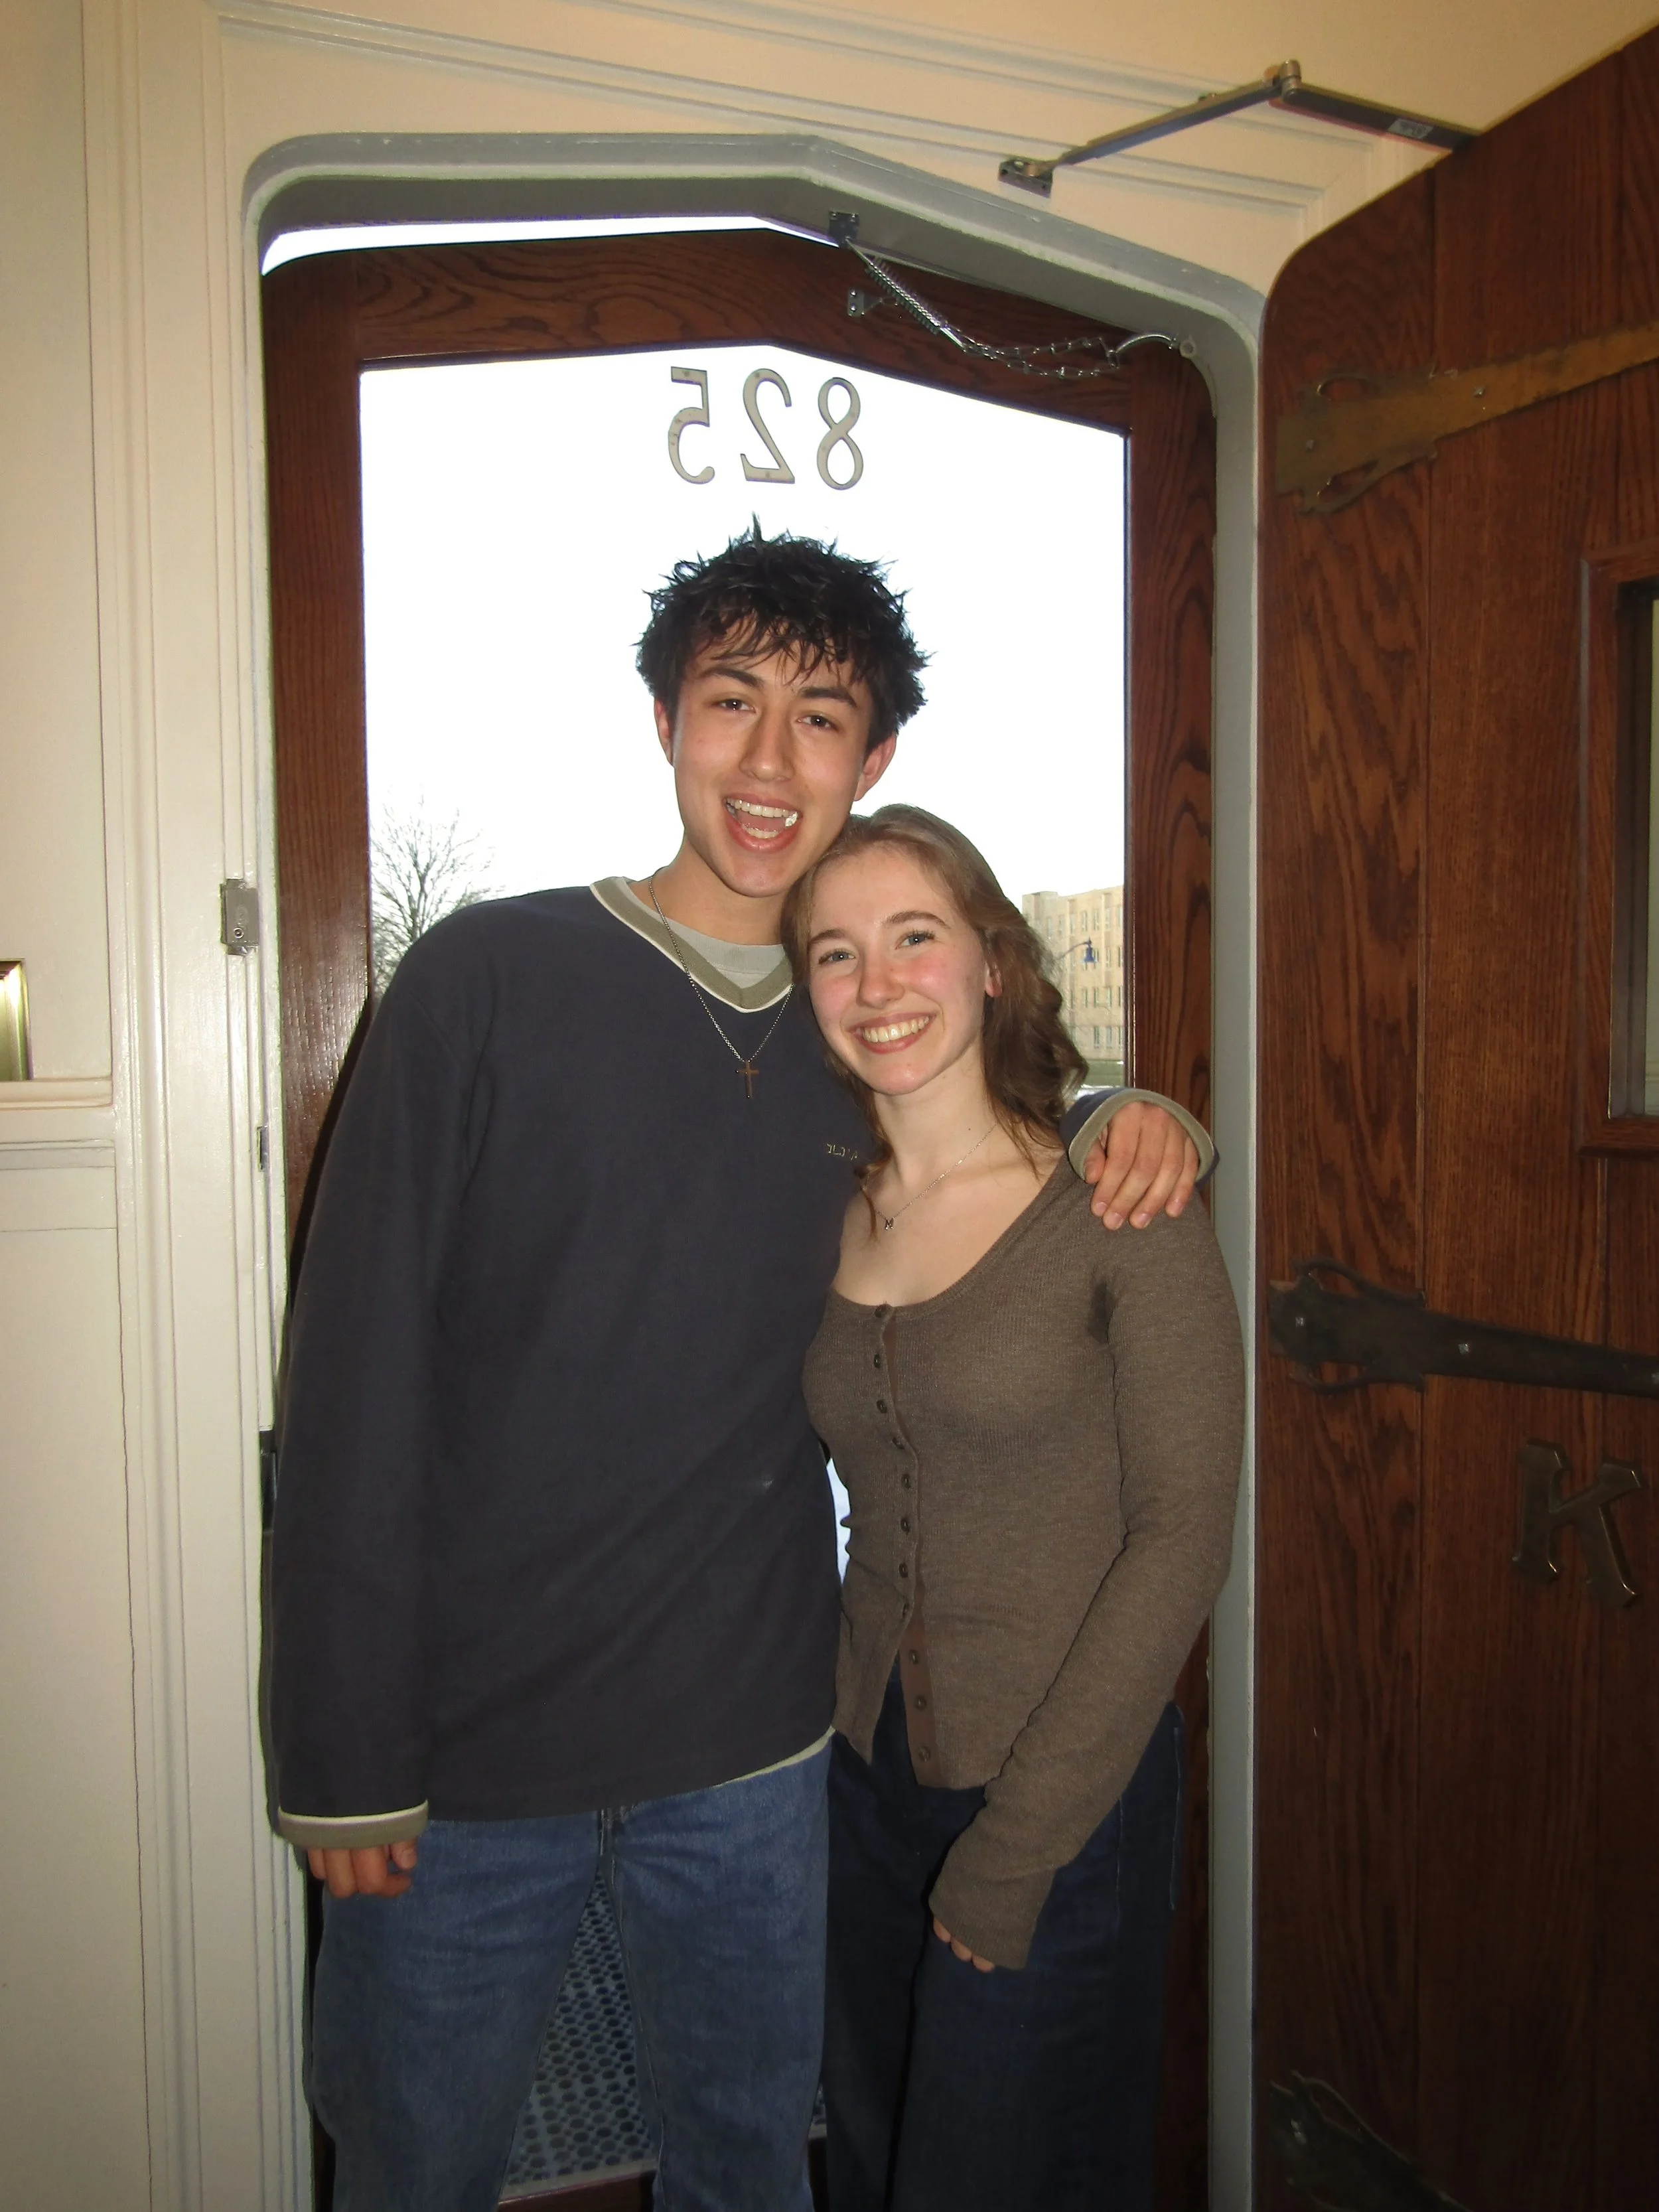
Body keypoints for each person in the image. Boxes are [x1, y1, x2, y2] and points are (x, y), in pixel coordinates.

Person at [267, 529, 1211, 2212]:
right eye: (730, 701)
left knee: (747, 2169)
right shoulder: (485, 977)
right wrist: (342, 1755)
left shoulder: (857, 1038)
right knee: (413, 2165)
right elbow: (351, 1385)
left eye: (820, 717)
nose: (770, 760)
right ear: (663, 721)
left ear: (873, 757)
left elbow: (981, 1131)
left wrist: (1122, 1113)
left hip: (762, 1760)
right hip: (467, 1762)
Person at [784, 803, 1244, 2212]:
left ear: (991, 961)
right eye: (835, 952)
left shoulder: (1118, 1202)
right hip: (863, 1781)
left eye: (913, 937)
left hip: (1060, 1790)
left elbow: (1183, 1533)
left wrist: (1020, 1842)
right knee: (874, 2159)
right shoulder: (824, 1204)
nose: (876, 984)